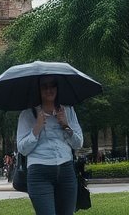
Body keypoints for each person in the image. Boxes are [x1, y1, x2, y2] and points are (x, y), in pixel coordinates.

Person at [17, 76, 83, 215]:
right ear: (38, 90)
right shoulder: (27, 114)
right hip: (39, 172)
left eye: (52, 85)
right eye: (44, 86)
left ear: (57, 87)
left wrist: (65, 125)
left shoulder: (68, 110)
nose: (49, 89)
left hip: (66, 170)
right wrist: (37, 128)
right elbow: (22, 149)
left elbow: (78, 144)